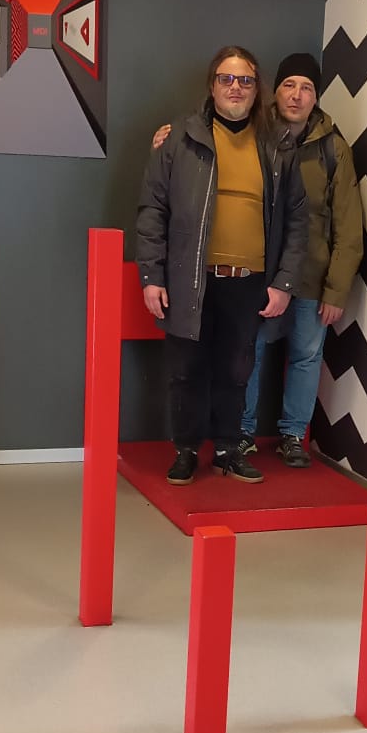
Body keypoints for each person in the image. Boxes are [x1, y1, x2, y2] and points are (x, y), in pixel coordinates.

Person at [135, 46, 307, 485]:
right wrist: (152, 276)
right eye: (226, 79)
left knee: (236, 372)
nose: (236, 88)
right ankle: (186, 450)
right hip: (190, 279)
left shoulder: (276, 146)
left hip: (249, 282)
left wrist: (284, 283)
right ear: (212, 86)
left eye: (245, 80)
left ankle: (229, 450)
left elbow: (297, 219)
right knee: (186, 371)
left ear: (256, 90)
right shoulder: (179, 139)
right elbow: (153, 209)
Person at [239, 52, 361, 467]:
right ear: (275, 91)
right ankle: (242, 432)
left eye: (306, 88)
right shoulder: (252, 134)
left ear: (316, 97)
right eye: (289, 85)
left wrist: (337, 290)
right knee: (249, 352)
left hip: (312, 277)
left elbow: (348, 226)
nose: (297, 95)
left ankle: (293, 435)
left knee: (307, 356)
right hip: (259, 274)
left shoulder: (334, 149)